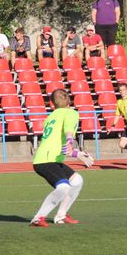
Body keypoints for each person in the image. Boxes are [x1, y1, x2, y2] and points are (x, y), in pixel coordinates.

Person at [30, 88, 94, 227]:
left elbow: (58, 145)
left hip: (49, 159)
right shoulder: (71, 113)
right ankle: (38, 217)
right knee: (64, 187)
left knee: (77, 180)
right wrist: (71, 141)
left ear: (52, 104)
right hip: (47, 161)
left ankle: (61, 215)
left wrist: (77, 154)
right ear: (69, 101)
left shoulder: (51, 117)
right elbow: (68, 132)